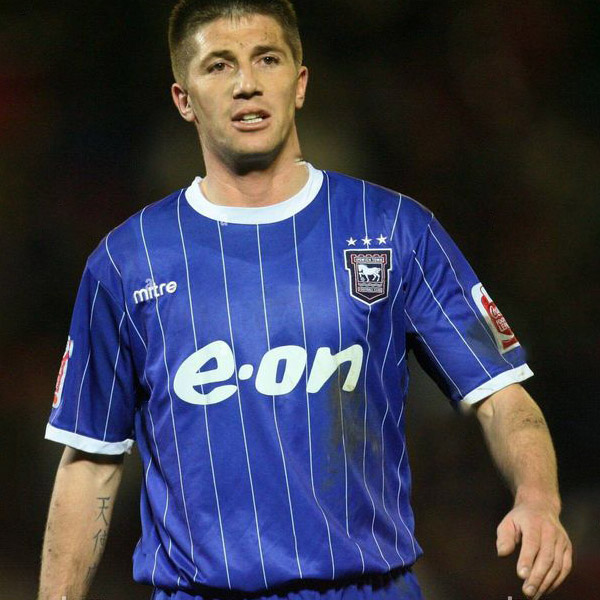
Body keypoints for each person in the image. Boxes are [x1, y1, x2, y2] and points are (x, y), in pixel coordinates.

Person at [38, 1, 572, 599]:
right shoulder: (127, 262)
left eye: (266, 59)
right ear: (183, 99)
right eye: (218, 65)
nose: (246, 83)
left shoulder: (394, 229)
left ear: (299, 83)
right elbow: (90, 460)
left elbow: (503, 396)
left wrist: (538, 499)